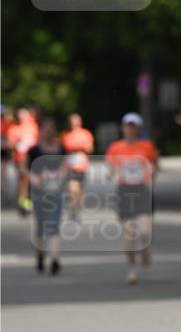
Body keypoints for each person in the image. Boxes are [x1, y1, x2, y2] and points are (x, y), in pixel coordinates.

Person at [105, 113, 159, 285]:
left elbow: (156, 165)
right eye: (127, 126)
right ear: (123, 128)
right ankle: (132, 269)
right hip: (125, 192)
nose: (130, 129)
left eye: (133, 126)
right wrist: (111, 172)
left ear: (138, 128)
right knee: (130, 234)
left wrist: (151, 174)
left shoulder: (146, 146)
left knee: (144, 231)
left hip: (142, 190)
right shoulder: (115, 148)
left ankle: (145, 248)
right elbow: (110, 169)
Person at [24, 117, 67, 274]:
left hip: (55, 192)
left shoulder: (61, 149)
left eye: (51, 129)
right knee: (40, 227)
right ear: (41, 131)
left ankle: (55, 259)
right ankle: (40, 255)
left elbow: (65, 166)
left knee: (54, 225)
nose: (49, 132)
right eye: (46, 129)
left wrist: (62, 176)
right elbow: (23, 167)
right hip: (38, 193)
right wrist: (33, 178)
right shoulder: (34, 150)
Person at [61, 113, 95, 219]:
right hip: (70, 167)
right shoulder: (65, 135)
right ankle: (73, 210)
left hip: (82, 166)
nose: (74, 123)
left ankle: (77, 208)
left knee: (80, 191)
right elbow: (62, 151)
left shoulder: (86, 134)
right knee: (72, 189)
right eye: (72, 121)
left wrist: (82, 148)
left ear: (80, 122)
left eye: (76, 121)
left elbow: (91, 149)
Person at [8, 106, 39, 215]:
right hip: (20, 159)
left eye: (24, 114)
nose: (22, 117)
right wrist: (18, 142)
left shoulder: (33, 127)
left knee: (30, 181)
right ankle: (23, 203)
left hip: (32, 158)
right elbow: (10, 144)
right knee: (23, 181)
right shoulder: (14, 129)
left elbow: (36, 142)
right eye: (20, 115)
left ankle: (28, 201)